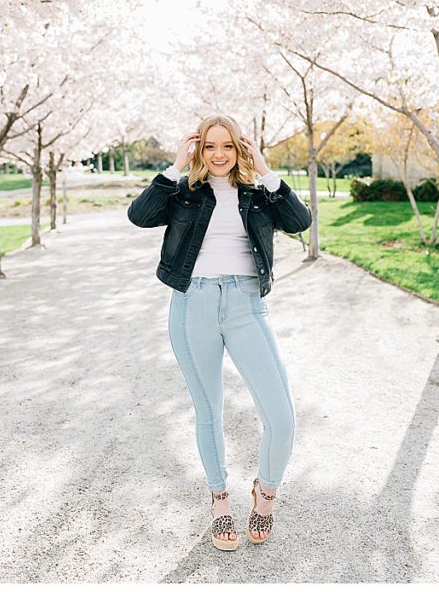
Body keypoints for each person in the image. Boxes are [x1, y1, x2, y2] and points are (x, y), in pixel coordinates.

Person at [127, 114, 311, 550]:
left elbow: (299, 221)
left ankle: (264, 497)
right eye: (209, 146)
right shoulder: (185, 192)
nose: (219, 154)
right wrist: (174, 167)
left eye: (227, 145)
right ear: (198, 149)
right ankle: (220, 501)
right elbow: (140, 215)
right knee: (209, 411)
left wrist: (265, 170)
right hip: (193, 303)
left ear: (240, 148)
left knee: (281, 417)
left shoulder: (256, 193)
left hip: (247, 303)